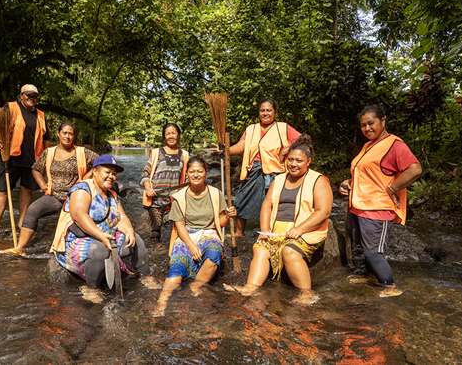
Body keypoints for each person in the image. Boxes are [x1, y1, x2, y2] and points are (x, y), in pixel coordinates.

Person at [223, 135, 332, 304]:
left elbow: (323, 212)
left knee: (289, 251)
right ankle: (250, 287)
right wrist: (265, 231)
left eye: (298, 161)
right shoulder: (279, 179)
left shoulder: (318, 180)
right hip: (277, 230)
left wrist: (299, 229)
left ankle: (306, 293)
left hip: (306, 229)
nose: (293, 164)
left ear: (308, 161)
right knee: (260, 248)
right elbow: (267, 206)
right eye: (290, 160)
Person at [50, 155, 160, 303]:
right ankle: (91, 288)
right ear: (95, 172)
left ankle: (146, 277)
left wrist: (129, 231)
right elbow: (79, 215)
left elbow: (121, 218)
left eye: (114, 174)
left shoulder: (112, 195)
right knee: (100, 249)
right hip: (77, 240)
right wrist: (100, 235)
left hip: (104, 237)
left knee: (136, 240)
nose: (111, 176)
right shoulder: (83, 188)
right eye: (107, 172)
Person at [339, 105, 422, 298]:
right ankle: (370, 276)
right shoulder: (368, 145)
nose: (367, 128)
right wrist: (348, 182)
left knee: (373, 253)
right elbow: (370, 174)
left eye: (371, 123)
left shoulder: (395, 144)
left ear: (383, 121)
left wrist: (393, 188)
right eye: (363, 125)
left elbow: (415, 169)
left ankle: (391, 287)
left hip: (378, 207)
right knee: (363, 248)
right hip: (359, 206)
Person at [0, 122, 98, 257]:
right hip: (54, 196)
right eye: (64, 133)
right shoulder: (49, 152)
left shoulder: (81, 152)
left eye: (70, 134)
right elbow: (36, 168)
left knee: (76, 228)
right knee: (32, 210)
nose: (67, 136)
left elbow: (100, 161)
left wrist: (87, 177)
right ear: (58, 134)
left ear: (74, 136)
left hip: (75, 198)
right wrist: (41, 184)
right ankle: (21, 248)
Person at [154, 156, 236, 315]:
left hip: (209, 234)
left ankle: (195, 287)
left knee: (213, 256)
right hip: (186, 235)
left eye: (200, 171)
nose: (196, 175)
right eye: (192, 172)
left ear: (206, 173)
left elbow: (221, 222)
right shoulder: (179, 196)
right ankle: (162, 301)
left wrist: (228, 214)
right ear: (187, 174)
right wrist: (191, 246)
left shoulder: (215, 193)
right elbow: (179, 225)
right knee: (177, 267)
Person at [215, 98, 300, 237]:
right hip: (253, 170)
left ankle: (269, 232)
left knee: (273, 204)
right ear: (258, 112)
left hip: (275, 171)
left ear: (275, 112)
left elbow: (301, 140)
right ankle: (239, 232)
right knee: (241, 199)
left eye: (268, 110)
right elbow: (241, 146)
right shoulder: (251, 129)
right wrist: (226, 150)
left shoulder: (283, 127)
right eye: (262, 110)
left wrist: (287, 150)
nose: (265, 113)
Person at [0, 84, 50, 240]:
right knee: (2, 191)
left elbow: (46, 139)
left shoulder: (40, 115)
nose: (32, 98)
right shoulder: (11, 107)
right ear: (21, 95)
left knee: (27, 190)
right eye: (28, 95)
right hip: (11, 157)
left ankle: (21, 223)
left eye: (35, 96)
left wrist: (47, 159)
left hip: (33, 160)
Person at [140, 123, 189, 242]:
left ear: (178, 135)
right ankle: (155, 251)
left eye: (173, 133)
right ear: (164, 136)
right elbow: (146, 172)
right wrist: (148, 188)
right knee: (156, 228)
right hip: (156, 198)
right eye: (168, 134)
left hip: (175, 199)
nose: (171, 136)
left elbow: (187, 177)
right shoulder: (157, 152)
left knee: (179, 227)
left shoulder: (184, 154)